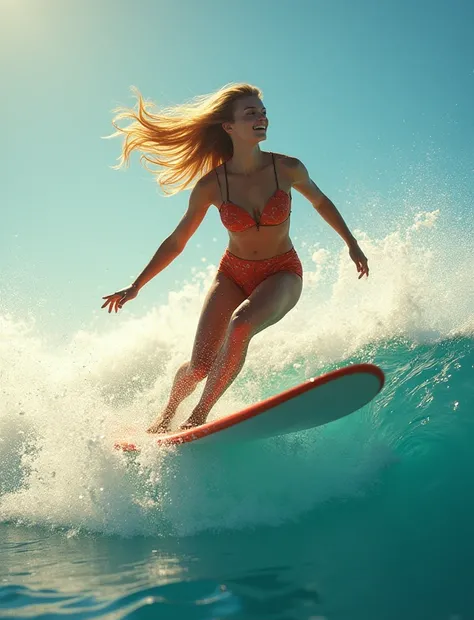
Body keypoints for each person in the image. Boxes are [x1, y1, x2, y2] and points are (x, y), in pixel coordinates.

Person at [101, 82, 369, 433]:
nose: (262, 118)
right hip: (231, 273)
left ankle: (198, 417)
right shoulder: (212, 185)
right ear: (228, 126)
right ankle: (165, 416)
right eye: (251, 113)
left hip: (282, 271)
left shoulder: (287, 168)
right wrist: (137, 285)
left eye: (263, 112)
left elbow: (321, 202)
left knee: (241, 324)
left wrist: (350, 242)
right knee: (199, 366)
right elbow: (177, 241)